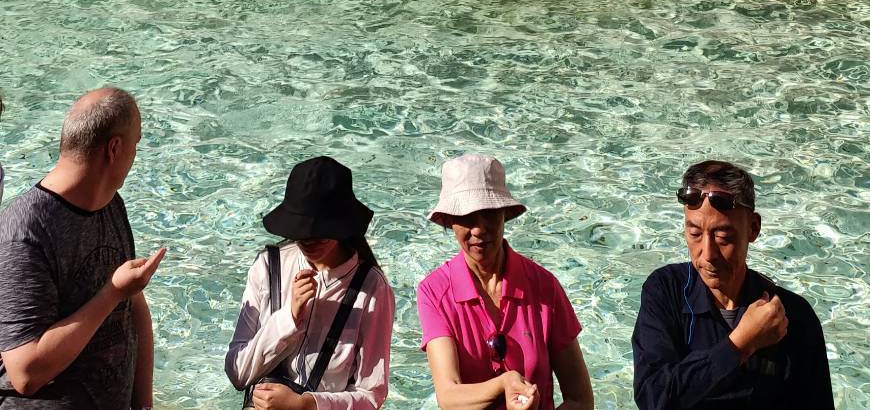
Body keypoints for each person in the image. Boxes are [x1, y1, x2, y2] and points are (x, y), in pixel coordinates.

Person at [0, 86, 165, 410]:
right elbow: (25, 372)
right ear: (114, 149)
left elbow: (134, 309)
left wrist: (144, 405)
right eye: (137, 144)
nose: (135, 156)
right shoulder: (25, 233)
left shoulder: (110, 204)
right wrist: (111, 294)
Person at [632, 159, 835, 408]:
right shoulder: (665, 291)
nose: (707, 254)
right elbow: (652, 397)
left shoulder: (793, 316)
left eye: (723, 236)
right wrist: (739, 344)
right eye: (694, 233)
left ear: (753, 228)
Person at [418, 153, 594, 410]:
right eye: (466, 217)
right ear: (449, 221)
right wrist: (505, 383)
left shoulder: (545, 287)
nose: (478, 229)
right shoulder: (433, 292)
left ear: (504, 214)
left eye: (488, 213)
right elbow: (448, 396)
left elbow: (580, 399)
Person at [225, 154, 395, 410]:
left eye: (320, 233)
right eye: (300, 233)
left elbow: (371, 395)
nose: (308, 240)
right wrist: (288, 318)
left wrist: (306, 404)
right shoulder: (269, 266)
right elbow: (238, 372)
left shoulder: (372, 288)